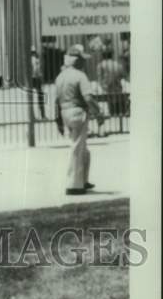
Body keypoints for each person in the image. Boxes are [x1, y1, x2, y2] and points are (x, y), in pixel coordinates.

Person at [54, 43, 100, 195]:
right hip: (78, 112)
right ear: (77, 61)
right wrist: (98, 113)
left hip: (65, 112)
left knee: (84, 150)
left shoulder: (60, 77)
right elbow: (88, 97)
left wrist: (58, 121)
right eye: (82, 59)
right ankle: (73, 185)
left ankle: (83, 180)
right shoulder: (80, 76)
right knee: (77, 148)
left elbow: (56, 101)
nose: (85, 62)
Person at [97, 46, 125, 132]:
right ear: (112, 55)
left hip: (106, 90)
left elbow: (99, 78)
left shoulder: (100, 65)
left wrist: (104, 85)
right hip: (118, 90)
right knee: (117, 110)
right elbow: (122, 76)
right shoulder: (118, 64)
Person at [30, 45, 46, 120]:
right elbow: (37, 69)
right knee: (40, 97)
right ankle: (42, 115)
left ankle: (32, 116)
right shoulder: (35, 59)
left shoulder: (31, 59)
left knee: (31, 97)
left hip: (32, 78)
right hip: (36, 78)